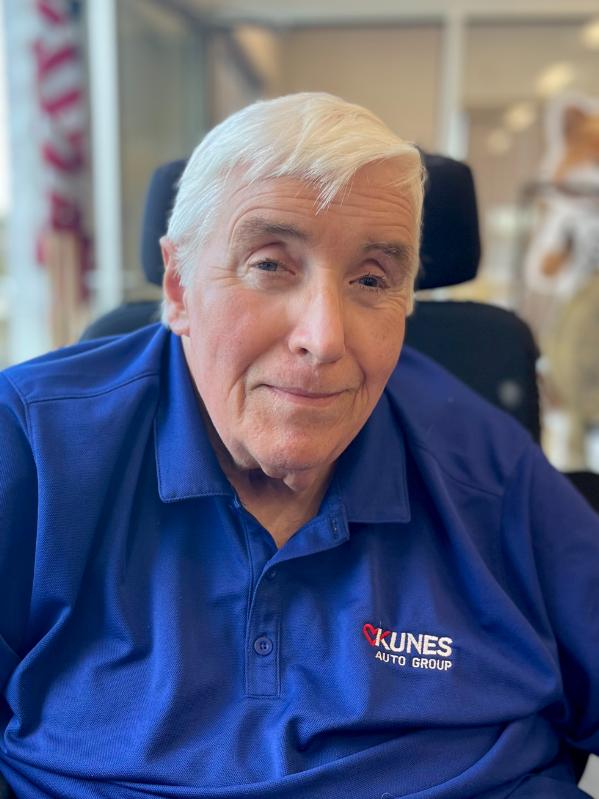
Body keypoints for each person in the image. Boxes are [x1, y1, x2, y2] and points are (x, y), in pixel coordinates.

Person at [0, 93, 597, 799]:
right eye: (270, 265)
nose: (324, 338)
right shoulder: (34, 444)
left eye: (371, 280)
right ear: (179, 286)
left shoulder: (484, 464)